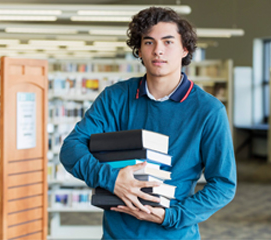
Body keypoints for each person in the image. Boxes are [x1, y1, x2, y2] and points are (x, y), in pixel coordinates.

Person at [60, 6, 237, 240]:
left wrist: (171, 216)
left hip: (174, 234)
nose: (158, 51)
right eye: (149, 42)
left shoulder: (209, 110)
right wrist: (111, 180)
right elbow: (71, 148)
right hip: (116, 234)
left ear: (185, 49)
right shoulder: (116, 97)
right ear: (139, 50)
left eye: (168, 42)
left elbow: (223, 184)